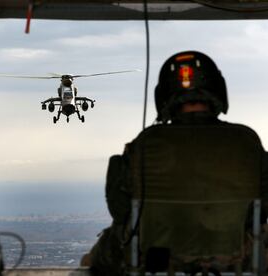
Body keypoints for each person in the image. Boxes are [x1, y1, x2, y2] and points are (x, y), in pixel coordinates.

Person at [81, 51, 268, 275]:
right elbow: (263, 206)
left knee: (91, 262)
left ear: (164, 95)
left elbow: (120, 210)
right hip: (237, 258)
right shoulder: (245, 142)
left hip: (157, 259)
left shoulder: (146, 143)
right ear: (218, 90)